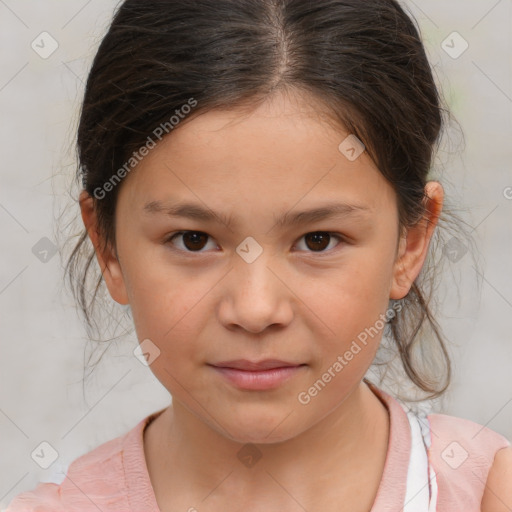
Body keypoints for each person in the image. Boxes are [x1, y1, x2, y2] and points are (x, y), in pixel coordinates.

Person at [7, 0, 511, 510]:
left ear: (412, 240)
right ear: (108, 247)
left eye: (318, 240)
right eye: (193, 240)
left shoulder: (489, 490)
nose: (254, 310)